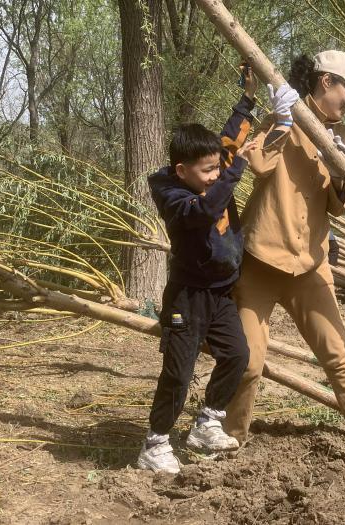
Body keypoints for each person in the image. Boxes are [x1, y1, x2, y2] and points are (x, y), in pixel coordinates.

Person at [224, 50, 345, 470]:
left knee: (338, 355)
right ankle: (230, 438)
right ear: (326, 82)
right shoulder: (284, 115)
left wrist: (340, 170)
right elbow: (259, 162)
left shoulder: (344, 140)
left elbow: (339, 206)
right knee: (248, 362)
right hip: (262, 260)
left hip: (310, 266)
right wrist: (284, 120)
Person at [137, 69, 258, 473]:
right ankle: (154, 445)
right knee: (178, 371)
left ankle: (208, 422)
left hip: (221, 293)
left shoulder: (211, 170)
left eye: (216, 169)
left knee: (238, 355)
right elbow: (206, 210)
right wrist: (234, 173)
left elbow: (229, 139)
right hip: (187, 297)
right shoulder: (172, 195)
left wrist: (249, 97)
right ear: (181, 169)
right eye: (206, 172)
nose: (213, 177)